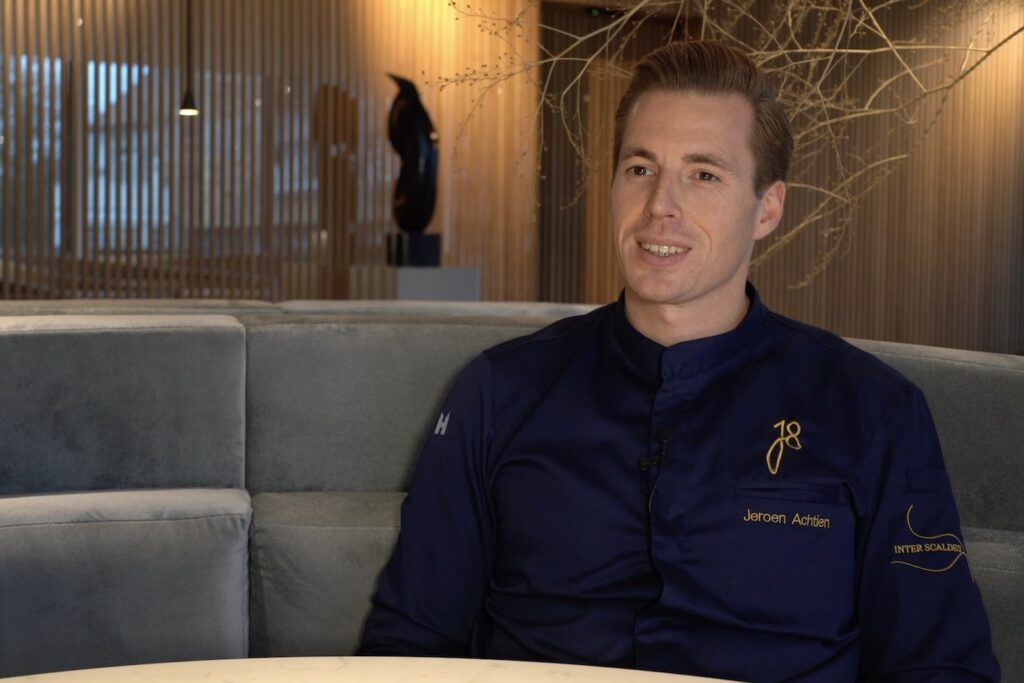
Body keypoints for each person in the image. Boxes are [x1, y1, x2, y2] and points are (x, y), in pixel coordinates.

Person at [358, 40, 1000, 682]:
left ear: (768, 208)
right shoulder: (500, 392)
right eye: (640, 168)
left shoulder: (873, 409)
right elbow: (407, 644)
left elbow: (942, 667)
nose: (660, 205)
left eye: (704, 175)